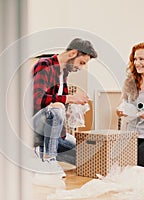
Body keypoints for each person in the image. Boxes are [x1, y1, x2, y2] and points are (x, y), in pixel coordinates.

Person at [32, 38, 98, 176]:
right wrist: (69, 99)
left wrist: (70, 111)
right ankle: (48, 161)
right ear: (72, 53)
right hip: (34, 128)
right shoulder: (44, 65)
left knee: (89, 158)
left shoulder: (64, 74)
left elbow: (59, 104)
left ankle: (44, 152)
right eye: (81, 63)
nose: (81, 67)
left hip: (56, 135)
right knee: (56, 110)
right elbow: (37, 99)